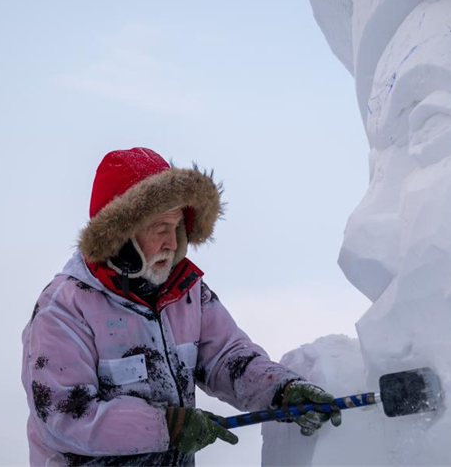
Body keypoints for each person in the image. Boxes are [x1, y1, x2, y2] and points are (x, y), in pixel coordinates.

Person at [21, 147, 341, 466]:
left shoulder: (187, 292)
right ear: (120, 235)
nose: (173, 243)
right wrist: (167, 426)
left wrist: (281, 389)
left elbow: (226, 358)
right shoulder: (63, 310)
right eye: (161, 228)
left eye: (177, 228)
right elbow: (65, 416)